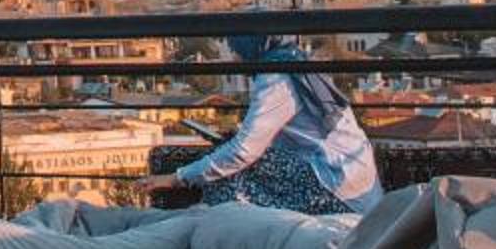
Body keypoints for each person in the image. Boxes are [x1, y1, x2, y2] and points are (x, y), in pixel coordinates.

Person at [163, 35, 380, 215]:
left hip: (336, 189)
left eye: (234, 48)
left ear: (249, 46)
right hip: (355, 179)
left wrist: (177, 177)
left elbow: (243, 152)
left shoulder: (275, 78)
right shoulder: (292, 60)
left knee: (228, 177)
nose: (234, 57)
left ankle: (219, 235)